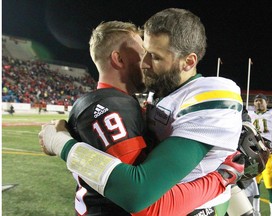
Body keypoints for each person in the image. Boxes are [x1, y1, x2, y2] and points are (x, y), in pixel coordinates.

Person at [39, 8, 245, 215]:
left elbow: (138, 193)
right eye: (143, 52)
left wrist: (60, 143)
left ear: (188, 61)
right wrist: (221, 177)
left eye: (154, 56)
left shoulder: (210, 94)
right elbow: (138, 195)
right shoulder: (150, 96)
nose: (144, 63)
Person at [248, 93, 272, 216]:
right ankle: (256, 212)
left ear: (267, 102)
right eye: (256, 100)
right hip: (253, 156)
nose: (258, 103)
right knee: (254, 185)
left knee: (271, 186)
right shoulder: (249, 115)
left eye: (261, 100)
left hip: (269, 155)